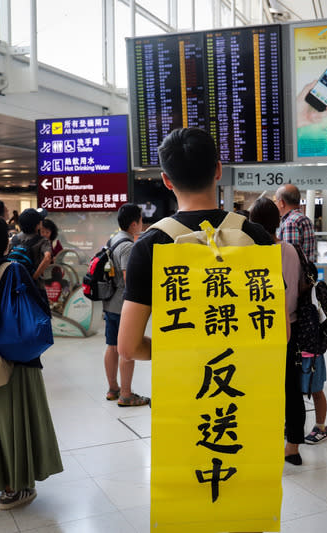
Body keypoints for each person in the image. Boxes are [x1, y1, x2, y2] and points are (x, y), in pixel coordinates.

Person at [117, 126, 272, 375]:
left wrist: (180, 347)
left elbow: (127, 347)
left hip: (184, 388)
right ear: (218, 170)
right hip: (247, 387)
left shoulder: (148, 246)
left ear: (166, 180)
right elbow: (280, 332)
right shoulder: (256, 235)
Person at [0, 216, 63, 510]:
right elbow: (36, 307)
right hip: (14, 356)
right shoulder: (12, 270)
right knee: (13, 419)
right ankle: (13, 488)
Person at [249, 197, 305, 465]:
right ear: (278, 222)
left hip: (260, 331)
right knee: (292, 390)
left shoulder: (253, 254)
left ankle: (262, 442)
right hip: (291, 329)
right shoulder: (292, 251)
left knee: (260, 390)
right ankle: (292, 447)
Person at [276, 184, 327, 444]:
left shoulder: (288, 225)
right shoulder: (305, 219)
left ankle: (292, 426)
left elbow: (288, 266)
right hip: (309, 297)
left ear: (282, 203)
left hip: (293, 301)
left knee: (292, 370)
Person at [103, 204, 149, 407]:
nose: (142, 224)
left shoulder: (114, 238)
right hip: (123, 306)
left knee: (112, 345)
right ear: (133, 224)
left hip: (110, 302)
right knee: (127, 349)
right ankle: (126, 394)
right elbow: (129, 280)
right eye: (141, 220)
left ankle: (113, 389)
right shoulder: (128, 246)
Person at [9, 208, 52, 296]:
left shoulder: (14, 239)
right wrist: (33, 278)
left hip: (15, 284)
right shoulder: (42, 241)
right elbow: (47, 258)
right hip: (36, 287)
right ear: (38, 226)